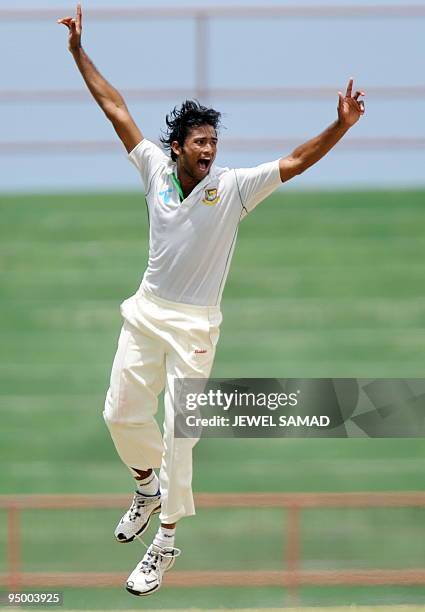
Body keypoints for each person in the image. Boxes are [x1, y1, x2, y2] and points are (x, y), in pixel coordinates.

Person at [58, 3, 365, 598]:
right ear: (175, 147)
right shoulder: (153, 166)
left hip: (195, 325)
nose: (209, 150)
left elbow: (295, 162)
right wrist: (77, 53)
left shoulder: (233, 189)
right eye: (200, 142)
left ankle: (166, 540)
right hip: (146, 311)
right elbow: (114, 106)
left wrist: (341, 127)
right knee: (119, 415)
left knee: (181, 431)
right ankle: (146, 487)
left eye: (214, 142)